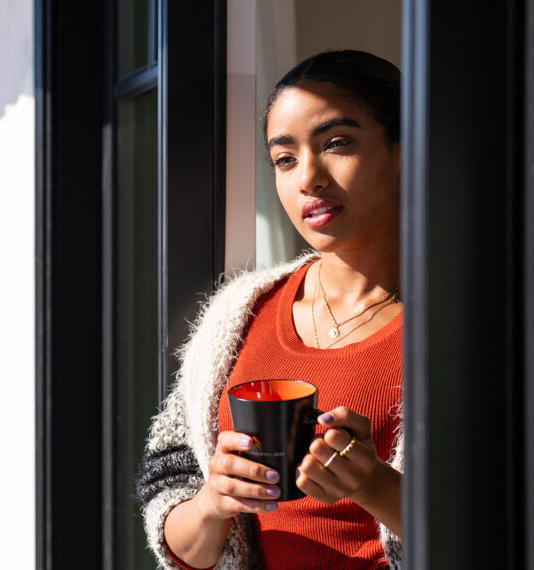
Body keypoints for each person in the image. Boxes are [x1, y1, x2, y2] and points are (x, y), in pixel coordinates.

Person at [136, 50, 404, 569]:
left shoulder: (475, 322)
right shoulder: (239, 313)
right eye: (285, 159)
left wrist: (376, 486)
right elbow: (178, 533)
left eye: (337, 143)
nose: (308, 177)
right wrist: (213, 503)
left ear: (404, 150)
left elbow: (504, 524)